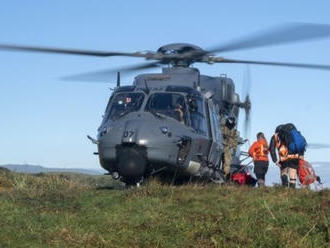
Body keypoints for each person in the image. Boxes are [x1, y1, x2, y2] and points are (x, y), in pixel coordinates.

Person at [269, 124, 302, 188]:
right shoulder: (293, 135)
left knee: (283, 173)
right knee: (293, 174)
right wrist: (300, 156)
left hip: (284, 158)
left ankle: (285, 188)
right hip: (295, 157)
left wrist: (275, 160)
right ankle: (292, 192)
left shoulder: (275, 136)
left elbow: (271, 149)